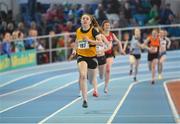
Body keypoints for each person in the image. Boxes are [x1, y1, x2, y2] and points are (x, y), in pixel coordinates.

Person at [71, 14, 103, 108]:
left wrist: (89, 40)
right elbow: (77, 41)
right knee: (83, 76)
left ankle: (92, 84)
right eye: (83, 18)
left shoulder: (93, 30)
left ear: (90, 21)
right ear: (81, 21)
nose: (85, 20)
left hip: (92, 57)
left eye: (87, 19)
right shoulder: (78, 31)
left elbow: (100, 42)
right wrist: (74, 50)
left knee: (91, 79)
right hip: (81, 56)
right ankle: (85, 100)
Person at [101, 20, 125, 93]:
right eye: (106, 25)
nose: (108, 26)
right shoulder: (101, 35)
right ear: (103, 27)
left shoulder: (112, 34)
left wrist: (121, 50)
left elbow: (119, 41)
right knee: (101, 71)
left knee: (108, 70)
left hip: (110, 54)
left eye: (109, 25)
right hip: (101, 54)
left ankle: (106, 86)